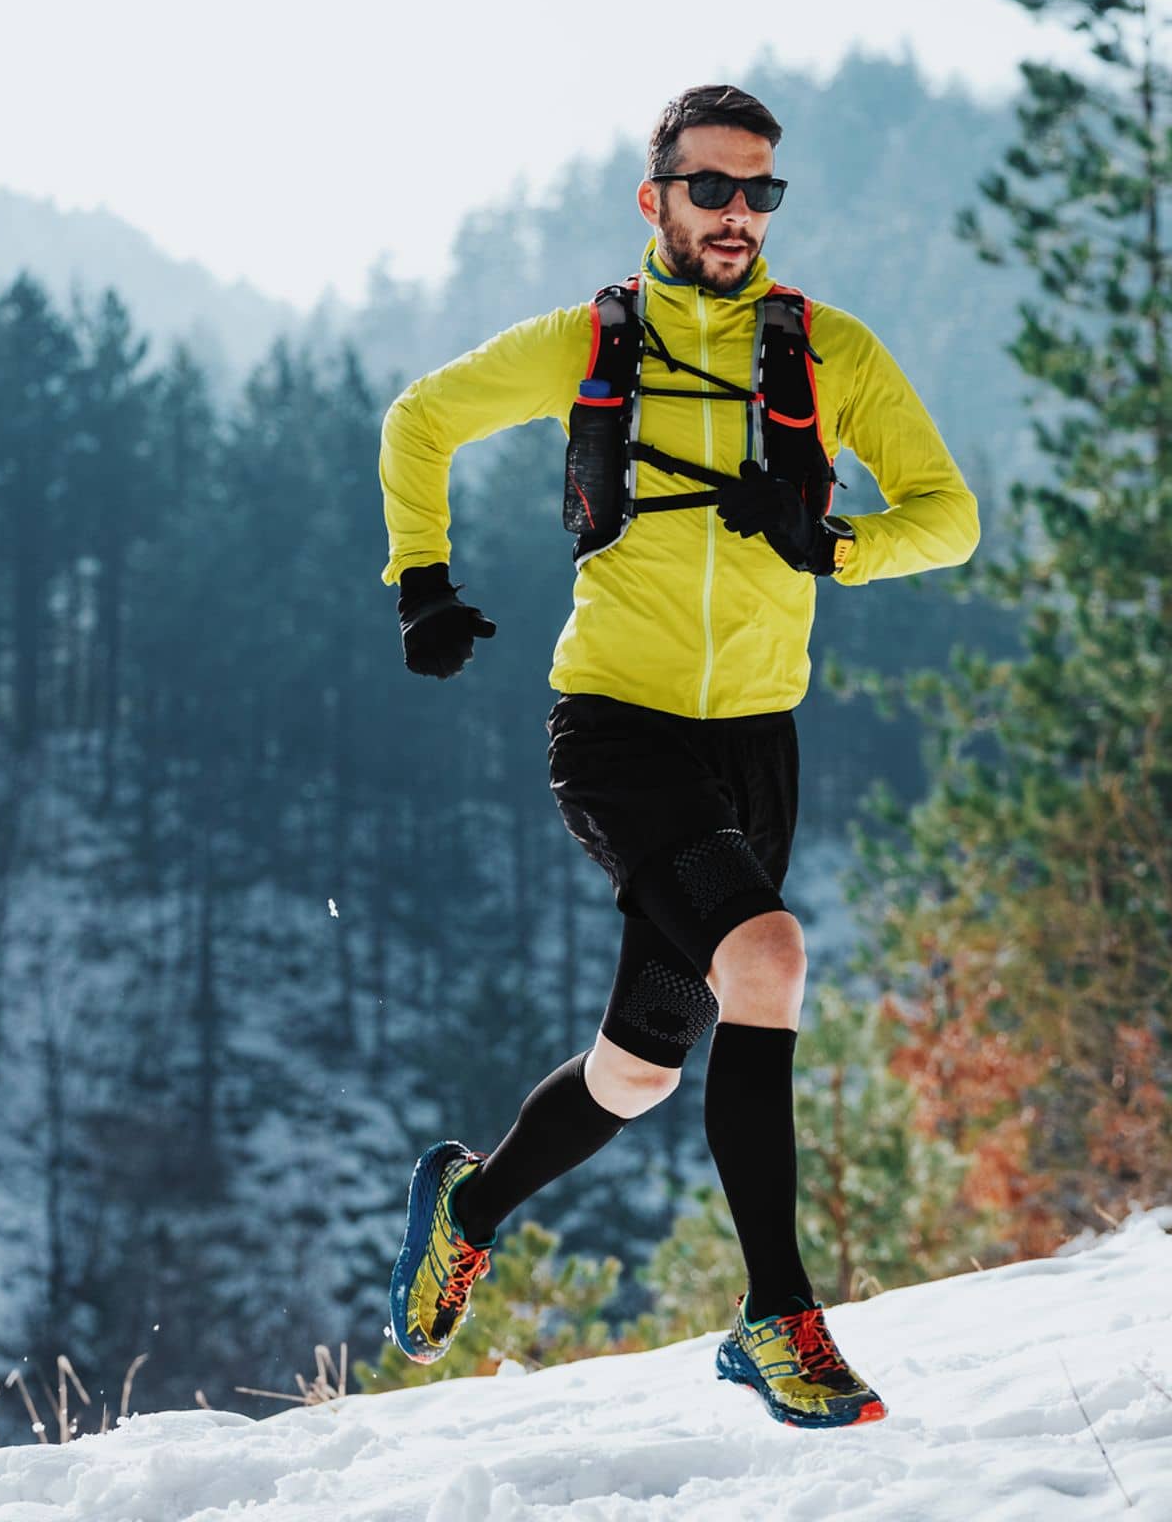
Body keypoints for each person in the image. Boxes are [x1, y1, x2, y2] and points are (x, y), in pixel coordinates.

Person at [379, 83, 978, 1429]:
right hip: (617, 727)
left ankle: (464, 1209)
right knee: (768, 958)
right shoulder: (592, 340)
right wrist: (422, 580)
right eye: (713, 189)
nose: (738, 216)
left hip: (758, 741)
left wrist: (834, 542)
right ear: (654, 199)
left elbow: (950, 519)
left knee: (642, 1068)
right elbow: (418, 418)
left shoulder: (828, 353)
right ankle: (779, 1319)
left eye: (762, 192)